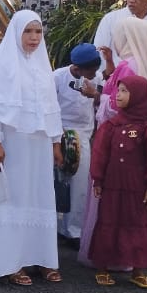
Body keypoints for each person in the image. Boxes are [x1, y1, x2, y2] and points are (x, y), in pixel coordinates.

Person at [0, 10, 64, 286]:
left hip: (38, 145)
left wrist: (56, 143)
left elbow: (52, 108)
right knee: (11, 198)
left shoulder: (42, 66)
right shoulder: (5, 65)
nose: (34, 37)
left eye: (38, 31)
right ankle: (10, 262)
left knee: (39, 197)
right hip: (11, 144)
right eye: (28, 31)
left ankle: (42, 259)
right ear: (16, 33)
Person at [89, 75, 147, 289]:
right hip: (112, 186)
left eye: (124, 91)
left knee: (137, 224)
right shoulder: (111, 126)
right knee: (108, 221)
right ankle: (102, 267)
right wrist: (98, 179)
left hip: (136, 187)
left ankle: (137, 269)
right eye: (118, 90)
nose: (118, 95)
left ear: (139, 96)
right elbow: (100, 154)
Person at [55, 43, 102, 243]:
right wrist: (58, 134)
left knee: (81, 185)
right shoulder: (57, 77)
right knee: (56, 181)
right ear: (78, 68)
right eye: (90, 71)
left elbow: (100, 105)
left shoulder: (97, 79)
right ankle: (55, 226)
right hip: (58, 132)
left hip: (82, 135)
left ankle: (74, 230)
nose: (93, 74)